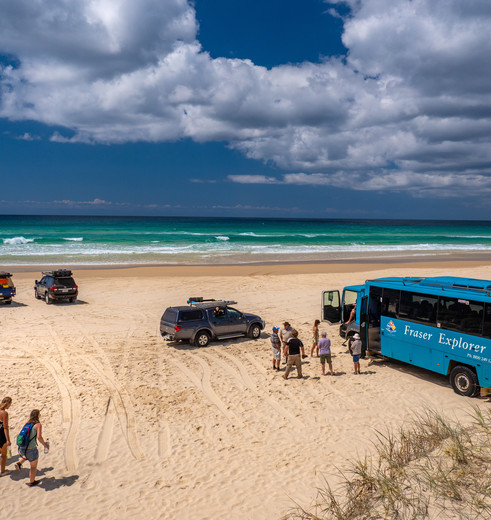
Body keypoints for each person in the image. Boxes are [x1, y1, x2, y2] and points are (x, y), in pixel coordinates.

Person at [15, 409, 49, 487]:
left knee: (26, 456)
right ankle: (32, 482)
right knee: (33, 467)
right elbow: (39, 437)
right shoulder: (38, 425)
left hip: (22, 448)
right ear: (38, 415)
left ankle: (19, 463)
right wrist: (45, 445)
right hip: (31, 449)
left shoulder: (27, 424)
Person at [0, 397, 12, 476]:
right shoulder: (4, 413)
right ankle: (3, 472)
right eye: (10, 403)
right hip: (1, 434)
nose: (10, 405)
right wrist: (8, 440)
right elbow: (5, 427)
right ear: (7, 404)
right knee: (4, 455)